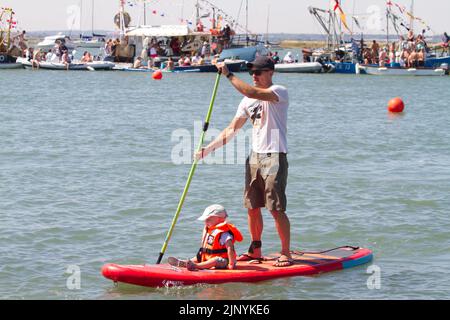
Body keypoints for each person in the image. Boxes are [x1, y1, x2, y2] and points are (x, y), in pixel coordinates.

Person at [196, 56, 293, 268]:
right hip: (254, 157)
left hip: (275, 155)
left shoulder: (279, 91)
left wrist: (228, 74)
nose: (254, 76)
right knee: (252, 207)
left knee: (276, 208)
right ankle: (255, 249)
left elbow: (252, 91)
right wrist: (207, 150)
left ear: (270, 72)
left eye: (258, 72)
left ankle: (285, 253)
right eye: (251, 73)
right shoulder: (246, 101)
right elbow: (231, 129)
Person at [167, 205, 243, 271]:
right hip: (207, 257)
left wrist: (231, 263)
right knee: (197, 258)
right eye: (205, 220)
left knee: (215, 260)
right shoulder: (209, 229)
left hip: (224, 260)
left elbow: (231, 249)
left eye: (208, 219)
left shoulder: (224, 233)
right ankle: (184, 262)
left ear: (220, 219)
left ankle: (196, 266)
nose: (205, 222)